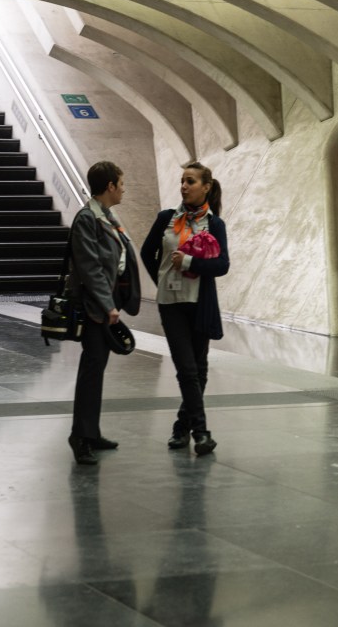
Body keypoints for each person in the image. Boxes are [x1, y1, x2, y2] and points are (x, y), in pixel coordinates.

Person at [141, 161, 229, 456]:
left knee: (199, 370)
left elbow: (222, 265)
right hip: (171, 304)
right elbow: (147, 252)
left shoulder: (214, 224)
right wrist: (162, 280)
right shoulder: (167, 218)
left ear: (206, 187)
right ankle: (201, 432)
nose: (184, 186)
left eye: (190, 181)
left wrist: (190, 262)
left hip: (200, 303)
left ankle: (181, 428)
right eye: (182, 180)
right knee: (187, 369)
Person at [68, 160, 141, 465]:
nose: (124, 189)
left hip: (106, 304)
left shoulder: (106, 216)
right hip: (95, 308)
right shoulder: (87, 218)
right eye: (121, 184)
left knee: (96, 369)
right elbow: (90, 268)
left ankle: (91, 431)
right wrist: (107, 304)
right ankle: (80, 437)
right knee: (91, 370)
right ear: (110, 186)